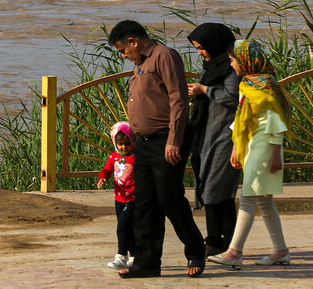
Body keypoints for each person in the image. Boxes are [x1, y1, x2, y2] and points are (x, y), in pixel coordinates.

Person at [107, 20, 205, 278]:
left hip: (167, 140)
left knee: (169, 199)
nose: (124, 56)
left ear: (133, 41)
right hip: (145, 144)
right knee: (145, 203)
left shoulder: (164, 56)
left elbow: (178, 99)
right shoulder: (140, 65)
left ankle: (196, 250)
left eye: (123, 51)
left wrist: (174, 139)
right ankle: (147, 262)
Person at [208, 40, 291, 269]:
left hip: (264, 147)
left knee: (247, 198)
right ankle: (280, 250)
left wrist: (275, 153)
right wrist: (236, 146)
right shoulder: (247, 84)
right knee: (264, 201)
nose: (232, 64)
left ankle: (234, 252)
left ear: (246, 61)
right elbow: (241, 118)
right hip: (252, 145)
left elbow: (276, 122)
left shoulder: (266, 86)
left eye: (233, 60)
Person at [187, 23, 241, 257]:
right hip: (208, 134)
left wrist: (204, 90)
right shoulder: (212, 67)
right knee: (218, 190)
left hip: (223, 136)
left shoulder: (229, 69)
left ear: (214, 45)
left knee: (212, 188)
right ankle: (227, 239)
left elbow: (231, 97)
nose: (200, 52)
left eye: (201, 47)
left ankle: (214, 240)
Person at [97, 121, 136, 271]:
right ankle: (133, 256)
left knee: (122, 227)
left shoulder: (136, 157)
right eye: (120, 144)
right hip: (118, 198)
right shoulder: (114, 157)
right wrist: (102, 178)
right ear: (115, 143)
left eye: (127, 144)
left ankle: (121, 256)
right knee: (127, 227)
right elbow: (106, 170)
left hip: (132, 199)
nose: (123, 147)